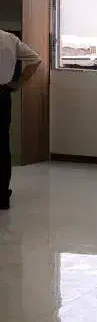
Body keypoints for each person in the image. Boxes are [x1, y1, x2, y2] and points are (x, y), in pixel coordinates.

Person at [0, 29, 42, 209]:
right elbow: (35, 59)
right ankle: (2, 196)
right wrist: (19, 82)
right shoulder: (9, 38)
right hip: (2, 95)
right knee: (2, 145)